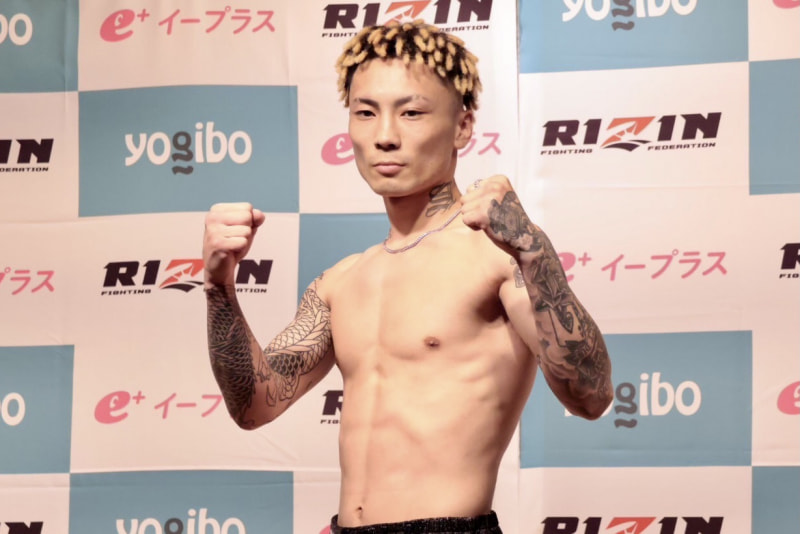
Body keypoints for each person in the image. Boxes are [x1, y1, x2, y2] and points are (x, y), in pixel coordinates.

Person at [202, 19, 613, 534]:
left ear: (462, 126)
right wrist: (219, 288)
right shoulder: (340, 282)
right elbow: (254, 406)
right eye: (365, 113)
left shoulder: (498, 258)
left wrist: (534, 249)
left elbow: (591, 396)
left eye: (411, 112)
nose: (385, 137)